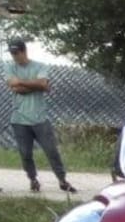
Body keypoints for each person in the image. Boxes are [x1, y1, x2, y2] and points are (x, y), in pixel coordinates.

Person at [5, 38, 77, 193]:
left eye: (17, 53)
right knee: (25, 153)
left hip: (40, 117)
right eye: (12, 53)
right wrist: (37, 85)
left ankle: (62, 180)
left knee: (51, 150)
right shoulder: (9, 66)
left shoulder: (40, 66)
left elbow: (42, 84)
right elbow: (15, 87)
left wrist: (25, 83)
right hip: (19, 118)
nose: (15, 56)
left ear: (24, 51)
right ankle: (33, 179)